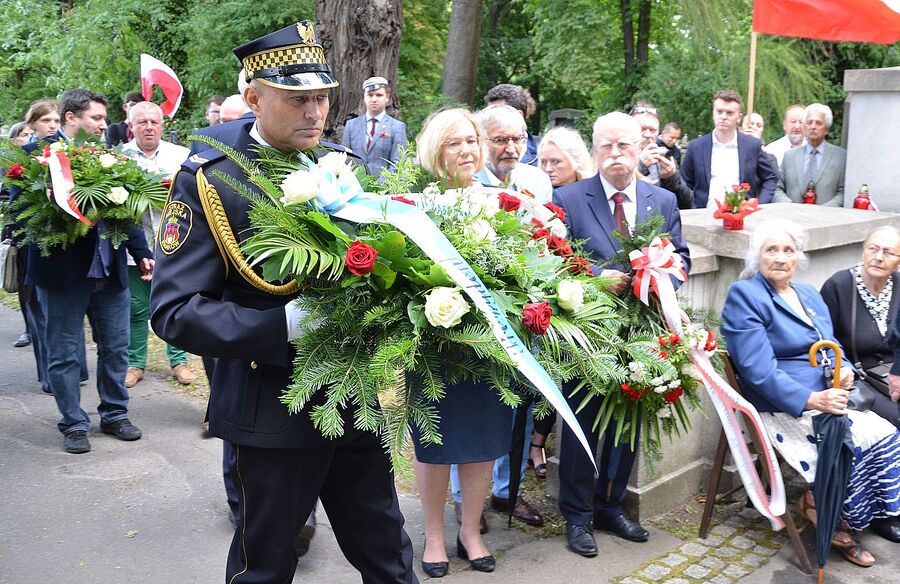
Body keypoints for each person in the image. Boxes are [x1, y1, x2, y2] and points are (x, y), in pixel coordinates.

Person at [149, 22, 417, 583]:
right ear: (253, 98)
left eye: (320, 98)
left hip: (352, 397)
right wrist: (283, 324)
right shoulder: (211, 181)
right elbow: (174, 310)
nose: (314, 113)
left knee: (388, 555)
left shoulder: (341, 164)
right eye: (297, 100)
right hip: (269, 406)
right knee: (263, 566)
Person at [721, 219, 900, 566]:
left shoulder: (807, 293)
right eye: (771, 249)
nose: (780, 257)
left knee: (886, 432)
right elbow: (758, 371)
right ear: (756, 256)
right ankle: (824, 512)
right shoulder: (745, 295)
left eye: (788, 250)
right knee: (850, 437)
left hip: (827, 392)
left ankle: (842, 509)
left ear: (798, 257)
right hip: (781, 403)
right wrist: (811, 399)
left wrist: (844, 367)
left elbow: (831, 344)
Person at [552, 112, 691, 557]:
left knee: (628, 423)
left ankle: (610, 505)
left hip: (644, 331)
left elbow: (681, 257)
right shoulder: (569, 198)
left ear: (639, 149)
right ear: (594, 151)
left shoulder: (662, 201)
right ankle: (576, 516)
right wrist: (596, 276)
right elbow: (554, 256)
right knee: (582, 427)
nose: (615, 154)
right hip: (589, 333)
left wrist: (665, 278)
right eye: (606, 146)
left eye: (624, 146)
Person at [23, 88, 152, 454]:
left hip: (109, 270)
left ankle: (114, 414)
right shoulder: (39, 158)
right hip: (62, 274)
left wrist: (141, 253)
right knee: (64, 352)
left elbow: (127, 213)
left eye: (102, 119)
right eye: (95, 118)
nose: (102, 125)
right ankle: (74, 423)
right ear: (71, 119)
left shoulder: (109, 157)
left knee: (116, 347)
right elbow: (20, 216)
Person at [412, 107, 510, 576]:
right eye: (455, 142)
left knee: (484, 444)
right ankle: (433, 535)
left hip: (489, 349)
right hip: (436, 351)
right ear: (436, 152)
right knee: (435, 445)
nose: (467, 149)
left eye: (472, 139)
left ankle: (469, 530)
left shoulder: (502, 203)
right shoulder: (416, 208)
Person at [119, 101, 196, 388]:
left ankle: (179, 360)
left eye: (154, 122)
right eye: (142, 122)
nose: (149, 127)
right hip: (134, 248)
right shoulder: (119, 158)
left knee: (175, 304)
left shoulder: (181, 156)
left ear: (163, 125)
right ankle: (135, 363)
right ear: (131, 126)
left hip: (174, 245)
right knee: (137, 308)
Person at [821, 226, 900, 428]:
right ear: (863, 251)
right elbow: (823, 339)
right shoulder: (838, 286)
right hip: (859, 379)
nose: (879, 257)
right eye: (873, 249)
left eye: (888, 252)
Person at [680, 89, 777, 208]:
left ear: (739, 117)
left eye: (729, 113)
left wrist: (759, 205)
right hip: (704, 215)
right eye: (719, 111)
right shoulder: (696, 147)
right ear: (713, 113)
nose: (723, 117)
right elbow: (684, 184)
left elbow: (770, 178)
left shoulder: (752, 146)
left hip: (742, 217)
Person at [473, 104, 552, 202]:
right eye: (500, 140)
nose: (511, 150)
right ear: (480, 141)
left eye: (517, 139)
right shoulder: (465, 185)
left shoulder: (538, 181)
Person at [773, 103, 846, 207]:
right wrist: (788, 206)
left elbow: (844, 191)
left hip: (827, 218)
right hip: (792, 216)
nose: (813, 127)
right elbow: (777, 187)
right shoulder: (789, 156)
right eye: (809, 122)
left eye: (818, 123)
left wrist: (825, 210)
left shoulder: (840, 157)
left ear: (826, 128)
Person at [340, 76, 408, 177]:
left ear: (387, 97)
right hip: (354, 186)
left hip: (384, 189)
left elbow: (397, 164)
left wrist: (378, 188)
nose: (374, 99)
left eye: (379, 95)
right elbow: (344, 158)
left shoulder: (397, 127)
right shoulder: (351, 125)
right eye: (370, 95)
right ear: (364, 97)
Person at [630, 103, 694, 209]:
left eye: (652, 130)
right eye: (642, 129)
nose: (647, 134)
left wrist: (671, 178)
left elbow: (688, 204)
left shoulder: (663, 156)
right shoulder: (616, 155)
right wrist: (641, 165)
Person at [484, 84, 539, 166]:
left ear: (519, 115)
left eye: (498, 114)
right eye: (489, 114)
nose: (492, 120)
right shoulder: (479, 155)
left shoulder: (544, 154)